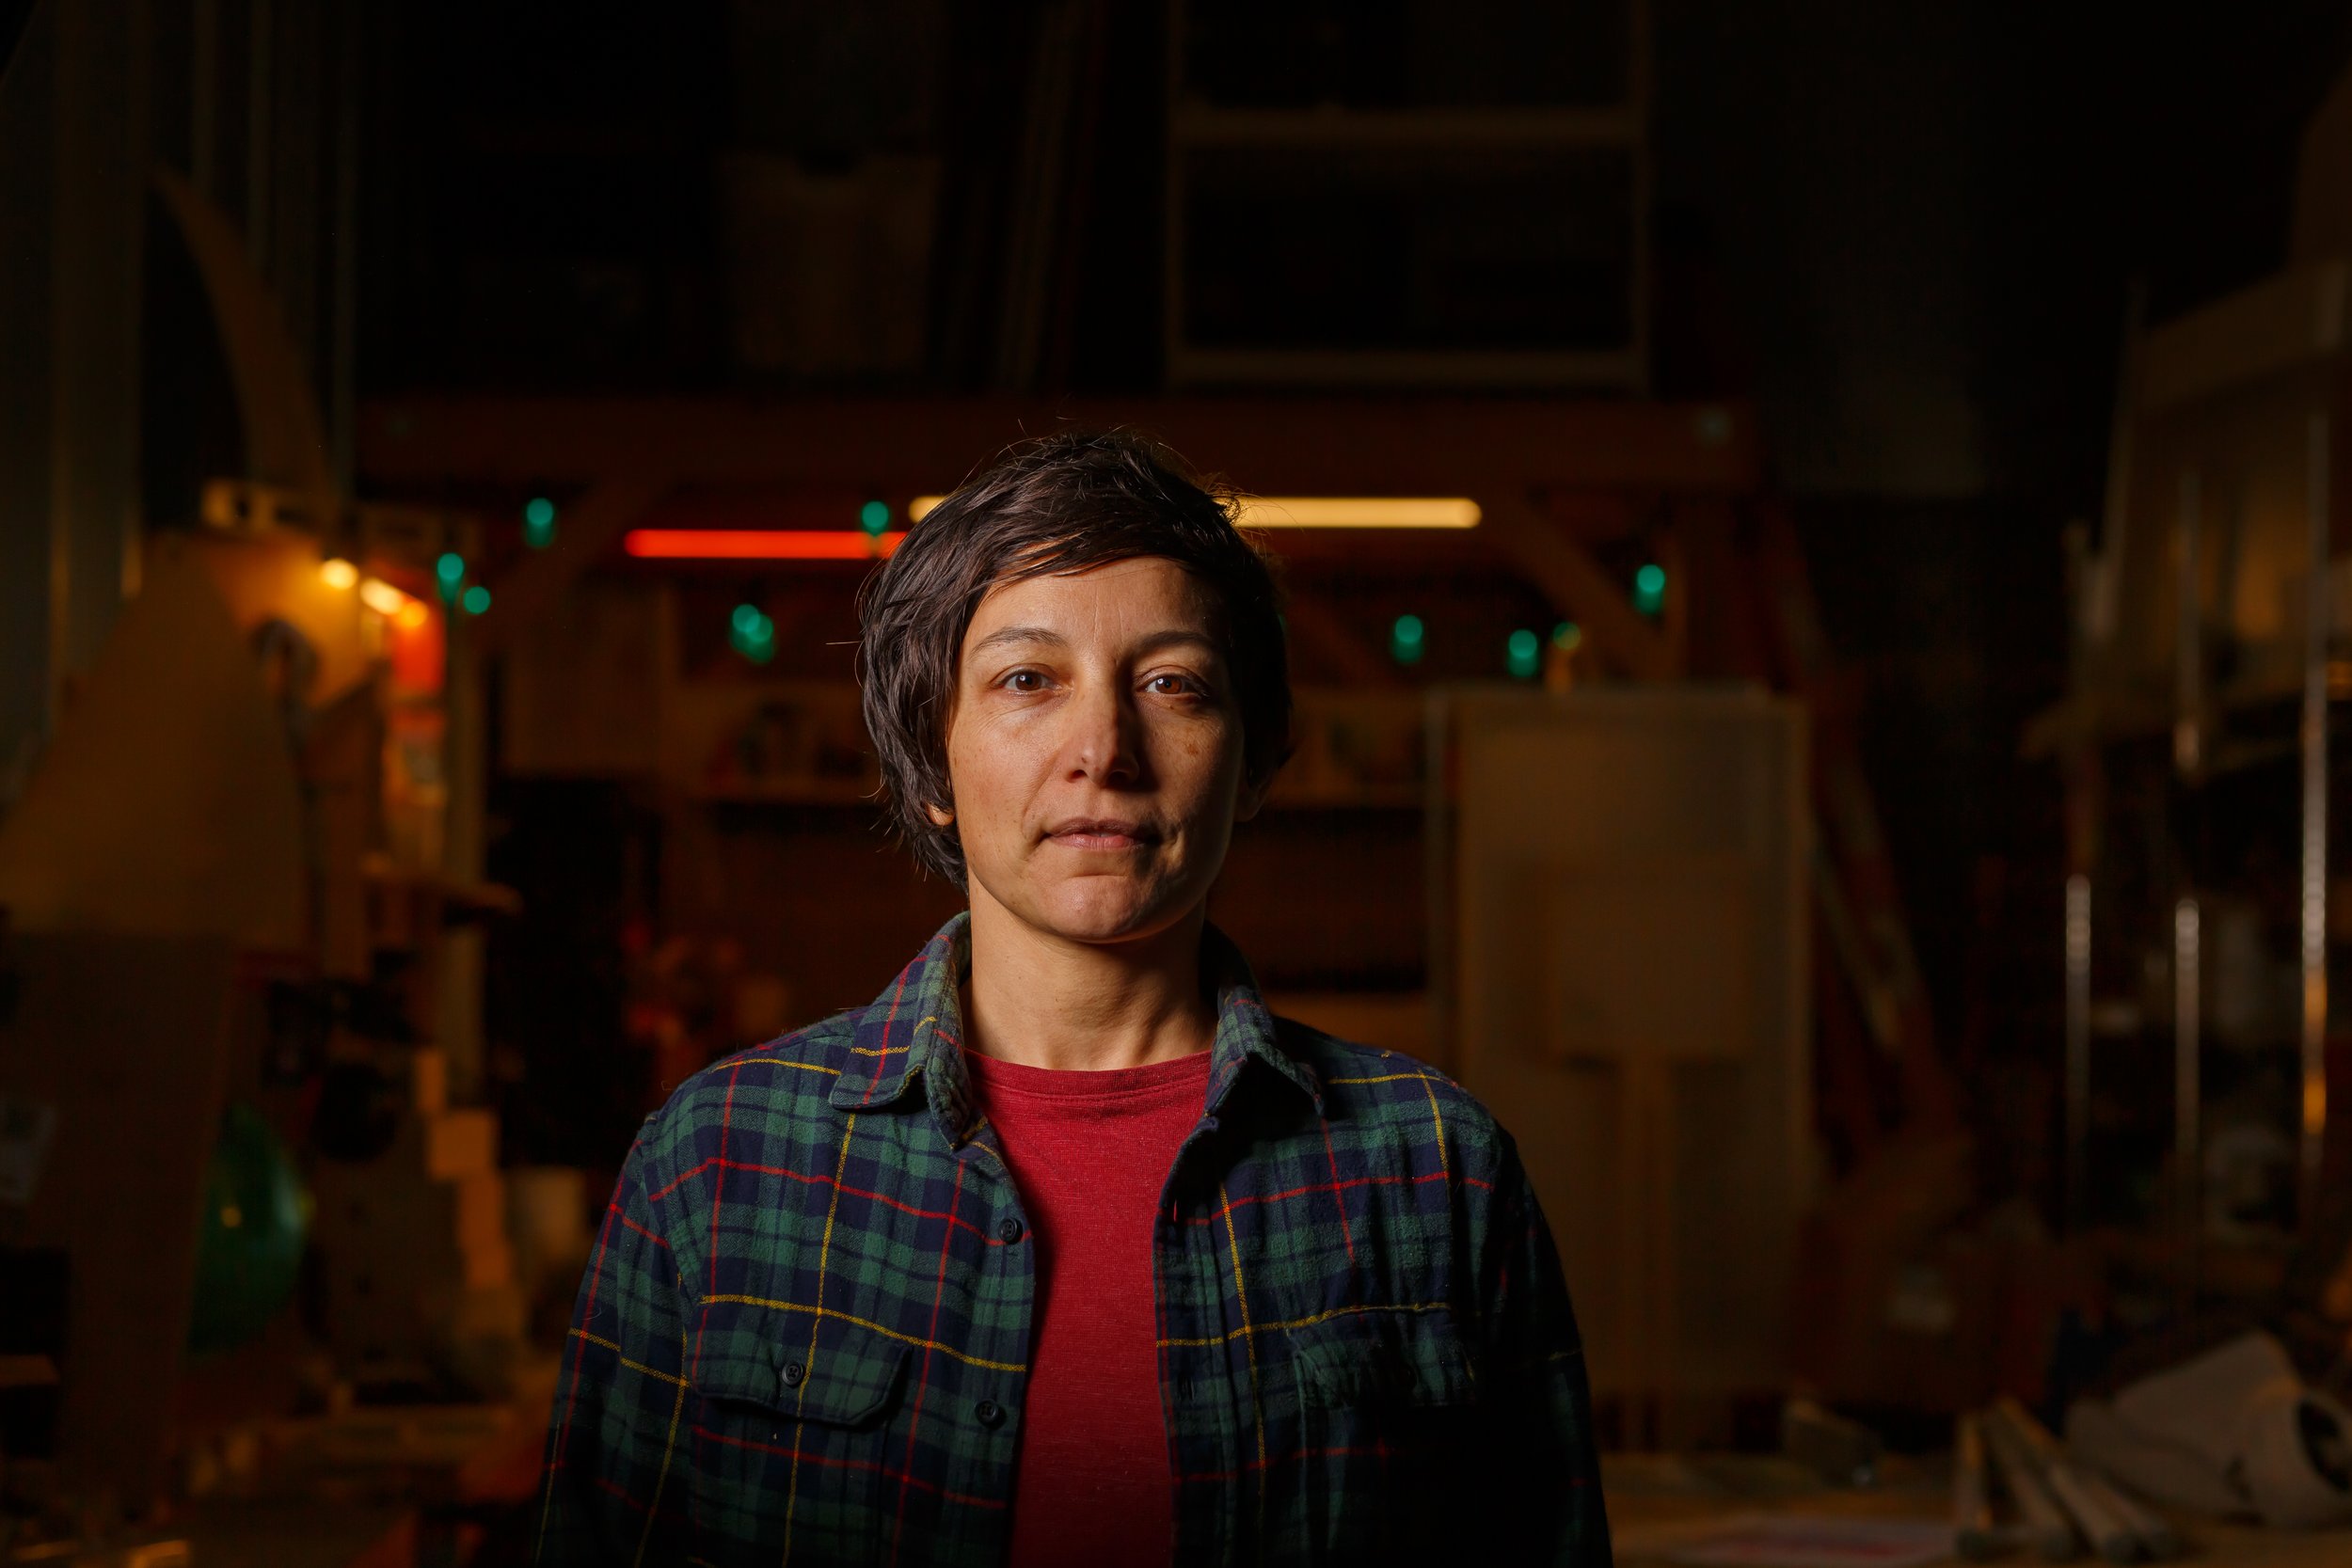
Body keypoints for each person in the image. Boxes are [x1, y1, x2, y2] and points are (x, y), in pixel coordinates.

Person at [535, 431, 1612, 1566]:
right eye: (1026, 679)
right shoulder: (718, 1162)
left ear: (1252, 761)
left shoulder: (1436, 1169)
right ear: (931, 760)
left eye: (1171, 683)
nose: (1102, 748)